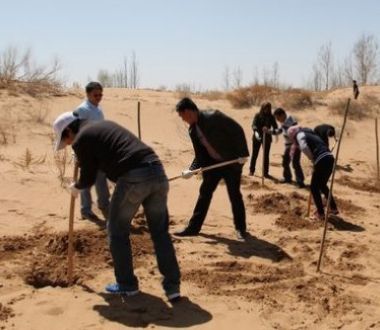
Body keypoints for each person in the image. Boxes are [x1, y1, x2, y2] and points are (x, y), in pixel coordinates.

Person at [52, 112, 181, 302]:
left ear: (69, 130)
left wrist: (76, 187)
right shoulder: (102, 126)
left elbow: (88, 176)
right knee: (160, 232)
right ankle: (173, 288)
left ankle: (127, 285)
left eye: (66, 139)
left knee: (116, 229)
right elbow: (111, 157)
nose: (69, 144)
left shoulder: (81, 139)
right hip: (157, 172)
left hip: (134, 178)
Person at [173, 98, 249, 240]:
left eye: (182, 116)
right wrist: (191, 170)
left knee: (234, 195)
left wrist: (242, 155)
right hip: (212, 164)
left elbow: (237, 130)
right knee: (204, 193)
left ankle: (241, 229)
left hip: (231, 163)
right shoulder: (193, 130)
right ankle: (193, 228)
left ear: (188, 112)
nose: (183, 120)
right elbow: (200, 155)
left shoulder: (214, 117)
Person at [74, 82, 110, 221]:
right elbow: (76, 131)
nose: (98, 97)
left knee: (101, 180)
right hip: (86, 151)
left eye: (101, 94)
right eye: (96, 95)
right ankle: (86, 210)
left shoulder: (98, 110)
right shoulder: (82, 110)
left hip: (99, 151)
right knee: (86, 181)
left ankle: (104, 205)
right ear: (88, 94)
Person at [288, 125, 339, 220]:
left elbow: (303, 147)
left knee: (314, 187)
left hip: (321, 159)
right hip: (330, 158)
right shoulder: (312, 134)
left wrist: (312, 158)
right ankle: (333, 207)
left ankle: (320, 213)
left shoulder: (300, 134)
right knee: (322, 185)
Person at [273, 108, 305, 188]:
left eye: (278, 118)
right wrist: (269, 131)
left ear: (282, 115)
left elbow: (296, 132)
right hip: (288, 146)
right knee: (285, 162)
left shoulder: (291, 121)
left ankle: (300, 182)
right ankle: (287, 178)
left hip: (295, 145)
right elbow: (279, 131)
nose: (277, 120)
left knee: (295, 163)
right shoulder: (284, 122)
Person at [249, 102, 278, 178]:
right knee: (255, 154)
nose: (267, 110)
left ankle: (265, 173)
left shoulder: (271, 117)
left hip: (267, 138)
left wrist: (269, 130)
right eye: (265, 108)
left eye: (268, 108)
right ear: (262, 108)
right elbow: (253, 125)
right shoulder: (258, 115)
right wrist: (256, 132)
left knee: (266, 155)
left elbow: (275, 128)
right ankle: (251, 170)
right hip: (257, 137)